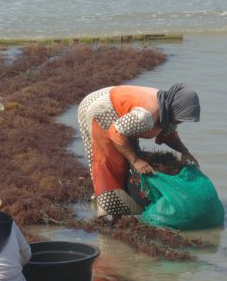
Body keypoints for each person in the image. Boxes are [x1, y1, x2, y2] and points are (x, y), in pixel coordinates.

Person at [77, 83, 201, 218]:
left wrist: (185, 152)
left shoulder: (167, 110)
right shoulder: (146, 115)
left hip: (121, 115)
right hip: (99, 108)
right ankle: (106, 211)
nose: (181, 122)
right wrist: (135, 160)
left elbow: (169, 136)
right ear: (175, 108)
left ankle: (114, 199)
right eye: (181, 118)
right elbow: (116, 133)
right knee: (109, 161)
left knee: (127, 156)